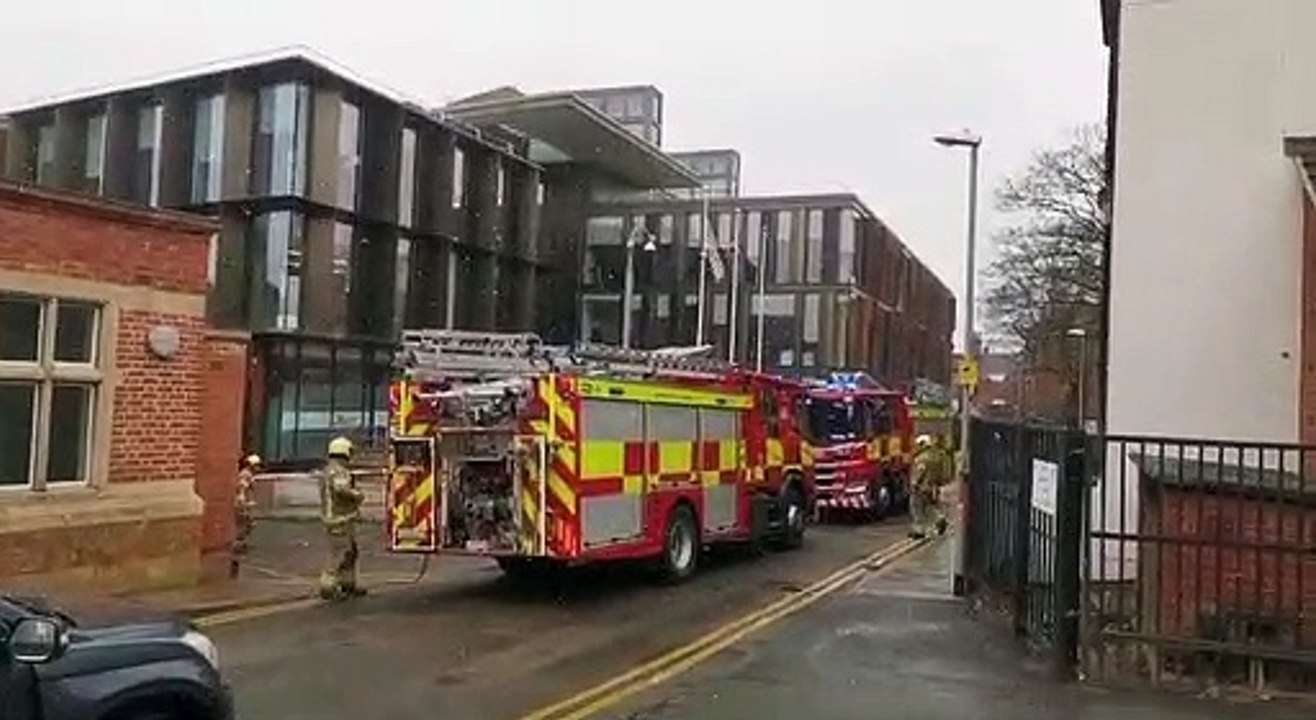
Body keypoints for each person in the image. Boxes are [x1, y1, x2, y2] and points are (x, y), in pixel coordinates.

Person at [318, 436, 366, 600]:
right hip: (340, 519)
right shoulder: (339, 471)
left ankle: (348, 583)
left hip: (339, 518)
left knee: (350, 553)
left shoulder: (328, 470)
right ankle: (328, 587)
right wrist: (357, 495)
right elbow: (341, 489)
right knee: (339, 554)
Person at [910, 434, 953, 540]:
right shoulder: (937, 457)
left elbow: (920, 472)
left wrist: (915, 483)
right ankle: (940, 519)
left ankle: (919, 531)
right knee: (933, 505)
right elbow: (943, 474)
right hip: (933, 487)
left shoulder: (921, 458)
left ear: (923, 444)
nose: (917, 447)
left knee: (917, 508)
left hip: (922, 487)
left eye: (919, 445)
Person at [233, 454, 261, 555]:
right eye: (257, 465)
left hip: (243, 503)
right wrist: (245, 503)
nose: (258, 468)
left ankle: (240, 543)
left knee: (248, 524)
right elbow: (241, 489)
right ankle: (238, 544)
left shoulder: (249, 474)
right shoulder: (245, 475)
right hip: (242, 503)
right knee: (245, 524)